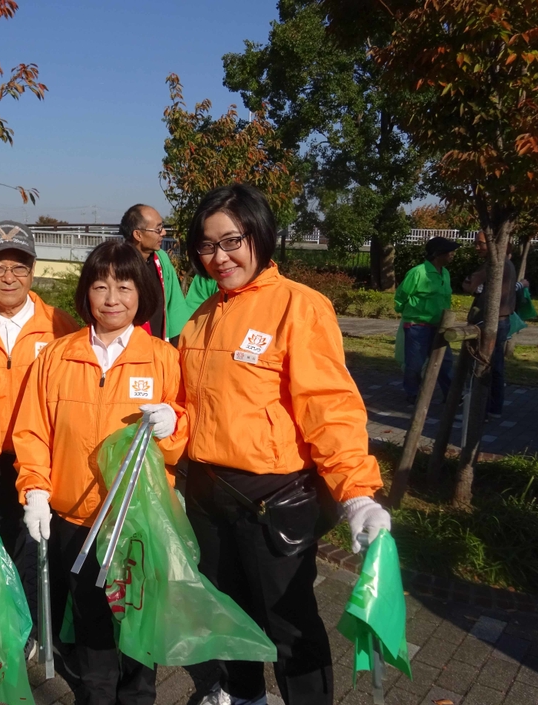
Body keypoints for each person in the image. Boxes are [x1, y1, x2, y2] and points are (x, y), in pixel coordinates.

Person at [178, 184, 390, 705]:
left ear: (260, 235)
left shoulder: (299, 306)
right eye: (207, 246)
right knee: (229, 612)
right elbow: (193, 407)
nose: (219, 257)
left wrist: (355, 491)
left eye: (231, 241)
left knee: (290, 626)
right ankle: (246, 696)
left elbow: (329, 404)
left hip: (275, 501)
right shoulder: (201, 319)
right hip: (210, 495)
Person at [13, 240, 188, 705]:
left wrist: (174, 425)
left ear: (143, 293)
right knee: (92, 635)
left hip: (137, 526)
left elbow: (184, 433)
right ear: (86, 293)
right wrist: (34, 490)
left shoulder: (163, 358)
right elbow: (32, 430)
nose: (112, 298)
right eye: (101, 286)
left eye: (125, 286)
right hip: (76, 522)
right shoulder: (57, 356)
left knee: (137, 634)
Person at [0, 220, 78, 656]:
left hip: (44, 457)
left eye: (19, 266)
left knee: (40, 548)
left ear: (33, 270)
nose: (9, 277)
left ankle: (36, 625)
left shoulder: (59, 324)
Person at [462, 231, 528, 419]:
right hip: (502, 320)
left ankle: (482, 409)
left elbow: (469, 285)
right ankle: (493, 407)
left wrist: (472, 282)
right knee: (495, 365)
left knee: (484, 365)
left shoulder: (494, 265)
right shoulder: (509, 264)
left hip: (491, 322)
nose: (477, 247)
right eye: (476, 243)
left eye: (481, 243)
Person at [394, 236, 460, 405]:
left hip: (440, 326)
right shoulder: (418, 272)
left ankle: (451, 395)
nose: (452, 254)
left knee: (445, 362)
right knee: (414, 364)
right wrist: (407, 312)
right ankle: (413, 393)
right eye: (449, 252)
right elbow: (401, 295)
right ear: (437, 254)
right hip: (418, 326)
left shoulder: (445, 273)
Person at [120, 204, 190, 342]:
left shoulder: (161, 259)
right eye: (158, 229)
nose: (163, 232)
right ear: (138, 234)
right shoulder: (119, 264)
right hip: (128, 346)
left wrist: (176, 344)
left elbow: (175, 304)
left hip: (159, 347)